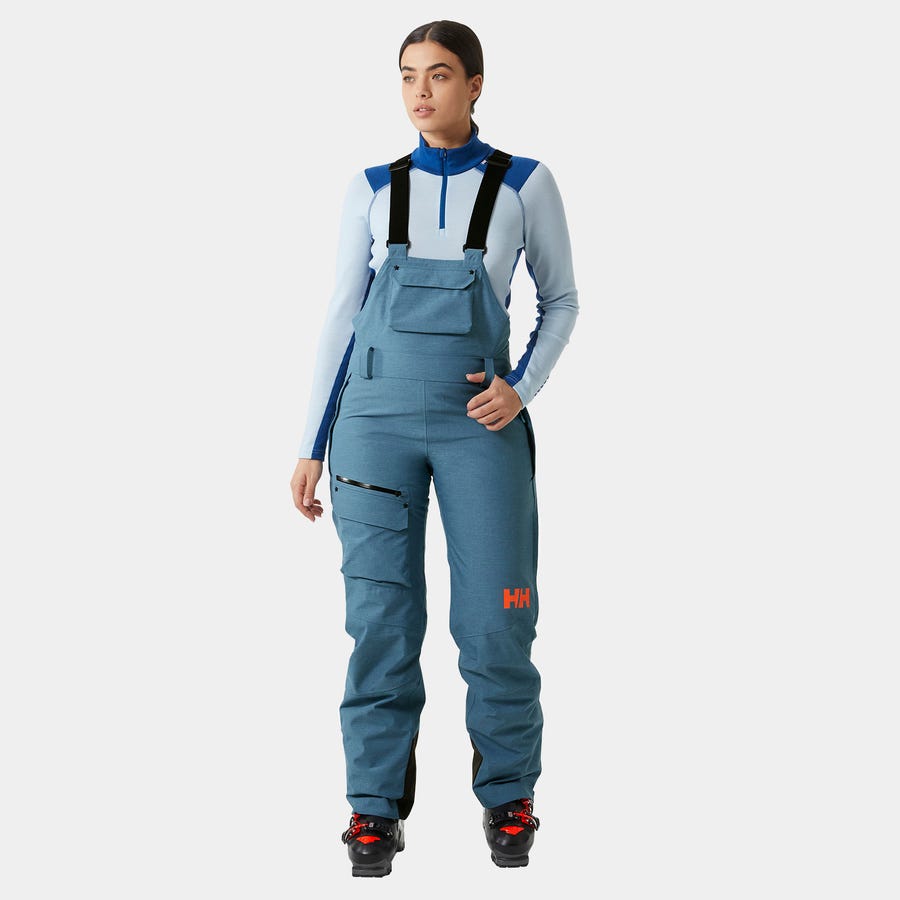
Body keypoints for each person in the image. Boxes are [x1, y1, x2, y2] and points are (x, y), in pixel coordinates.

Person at [290, 20, 579, 876]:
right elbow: (343, 317)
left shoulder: (524, 183)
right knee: (379, 622)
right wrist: (310, 442)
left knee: (498, 617)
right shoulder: (373, 188)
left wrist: (521, 388)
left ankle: (510, 796)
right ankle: (373, 810)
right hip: (371, 424)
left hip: (479, 422)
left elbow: (562, 300)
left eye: (441, 74)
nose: (422, 91)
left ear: (475, 84)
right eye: (409, 75)